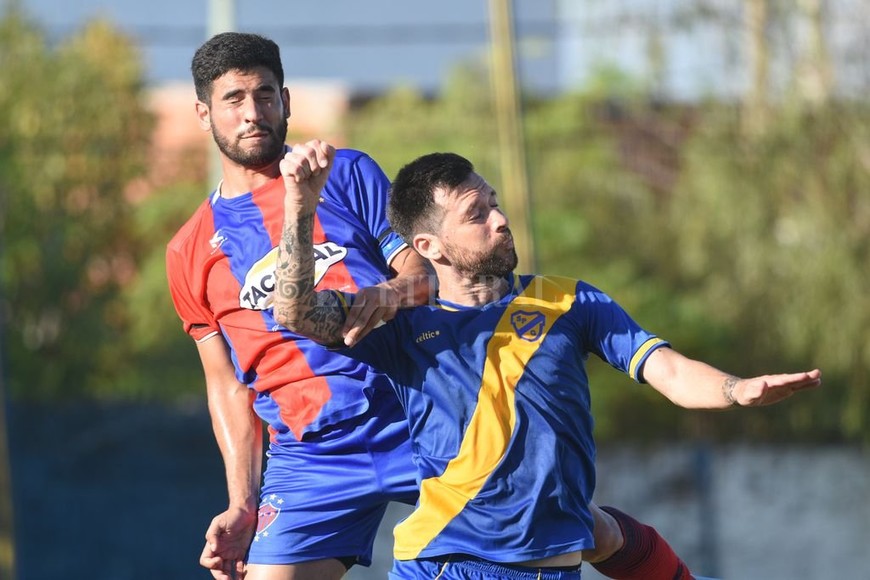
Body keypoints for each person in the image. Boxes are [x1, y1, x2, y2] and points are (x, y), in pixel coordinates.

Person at [166, 32, 684, 580]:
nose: (253, 112)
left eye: (265, 94)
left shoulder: (346, 173)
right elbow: (225, 385)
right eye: (234, 99)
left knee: (575, 525)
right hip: (312, 454)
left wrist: (387, 294)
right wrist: (242, 502)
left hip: (419, 412)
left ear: (286, 101)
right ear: (204, 113)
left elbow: (421, 270)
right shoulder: (189, 250)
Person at [271, 142, 822, 579]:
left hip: (553, 569)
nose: (501, 219)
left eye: (495, 202)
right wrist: (300, 207)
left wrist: (735, 390)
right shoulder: (400, 323)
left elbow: (671, 372)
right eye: (476, 214)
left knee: (602, 530)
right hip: (446, 563)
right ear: (430, 247)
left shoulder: (570, 300)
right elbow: (294, 312)